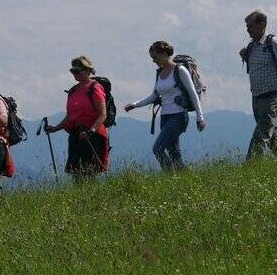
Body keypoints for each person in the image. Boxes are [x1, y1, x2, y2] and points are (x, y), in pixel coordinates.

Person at [124, 41, 205, 171]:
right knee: (174, 153)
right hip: (165, 117)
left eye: (155, 57)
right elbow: (154, 95)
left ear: (164, 54)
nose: (153, 61)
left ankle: (170, 177)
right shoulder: (159, 73)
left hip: (178, 116)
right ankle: (183, 178)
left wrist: (200, 117)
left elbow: (192, 93)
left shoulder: (180, 70)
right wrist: (135, 105)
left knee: (157, 149)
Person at [240, 10, 277, 160]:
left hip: (272, 97)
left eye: (250, 26)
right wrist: (245, 57)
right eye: (247, 27)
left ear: (262, 25)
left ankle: (250, 168)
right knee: (273, 136)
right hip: (256, 98)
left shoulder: (275, 44)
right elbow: (258, 68)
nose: (248, 30)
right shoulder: (252, 47)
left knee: (260, 136)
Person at [44, 56, 109, 179]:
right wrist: (56, 128)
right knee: (76, 172)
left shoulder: (95, 88)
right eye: (72, 71)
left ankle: (92, 196)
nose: (74, 74)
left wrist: (92, 131)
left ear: (87, 71)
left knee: (89, 172)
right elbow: (70, 116)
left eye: (77, 71)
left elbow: (102, 114)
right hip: (76, 135)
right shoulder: (73, 90)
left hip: (92, 136)